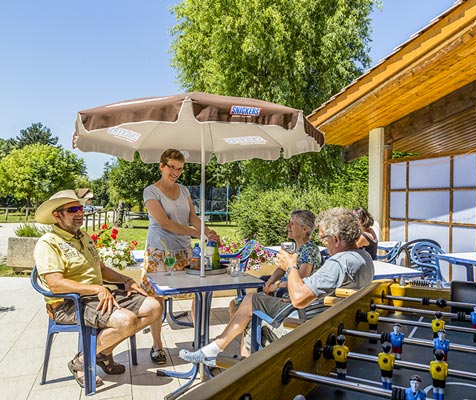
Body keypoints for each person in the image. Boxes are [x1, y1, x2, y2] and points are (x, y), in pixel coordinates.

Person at [179, 207, 375, 366]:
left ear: (337, 239)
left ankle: (229, 362)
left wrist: (290, 267)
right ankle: (227, 359)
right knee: (249, 306)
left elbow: (299, 298)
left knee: (250, 305)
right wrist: (279, 276)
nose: (324, 243)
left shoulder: (339, 263)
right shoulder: (364, 258)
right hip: (330, 323)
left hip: (308, 325)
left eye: (325, 239)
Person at [33, 190, 162, 389]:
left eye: (81, 208)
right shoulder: (48, 243)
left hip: (97, 295)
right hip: (68, 303)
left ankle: (102, 353)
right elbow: (55, 284)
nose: (80, 213)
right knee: (126, 320)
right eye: (72, 209)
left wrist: (126, 279)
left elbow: (101, 268)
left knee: (154, 307)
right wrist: (96, 289)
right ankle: (82, 361)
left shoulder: (83, 236)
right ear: (56, 215)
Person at [140, 148, 219, 364]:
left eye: (180, 168)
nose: (175, 172)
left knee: (197, 292)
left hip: (184, 249)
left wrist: (207, 230)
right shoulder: (151, 191)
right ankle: (157, 346)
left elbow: (193, 217)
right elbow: (165, 223)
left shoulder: (183, 190)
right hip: (160, 250)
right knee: (157, 298)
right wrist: (197, 233)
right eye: (172, 167)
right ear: (161, 166)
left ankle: (198, 338)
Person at [262, 210, 321, 297]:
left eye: (292, 224)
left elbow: (300, 280)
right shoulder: (294, 248)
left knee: (248, 300)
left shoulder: (309, 250)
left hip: (290, 297)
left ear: (305, 229)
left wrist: (277, 286)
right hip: (283, 291)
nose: (288, 226)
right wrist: (269, 282)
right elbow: (282, 268)